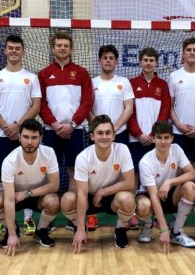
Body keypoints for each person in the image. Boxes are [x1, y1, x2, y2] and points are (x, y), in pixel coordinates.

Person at [0, 35, 41, 238]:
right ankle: (2, 221)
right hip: (0, 134)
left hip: (23, 136)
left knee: (25, 176)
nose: (14, 51)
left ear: (23, 52)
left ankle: (28, 219)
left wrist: (18, 126)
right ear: (5, 51)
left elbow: (36, 105)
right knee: (0, 176)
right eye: (10, 48)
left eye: (17, 48)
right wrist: (5, 126)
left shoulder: (32, 78)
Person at [61, 115, 136, 252]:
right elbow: (82, 193)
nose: (104, 137)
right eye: (100, 133)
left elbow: (130, 183)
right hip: (89, 198)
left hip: (112, 197)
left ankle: (120, 229)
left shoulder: (122, 149)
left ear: (113, 136)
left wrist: (103, 192)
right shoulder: (83, 157)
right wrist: (80, 229)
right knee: (67, 199)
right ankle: (80, 228)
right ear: (92, 136)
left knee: (128, 199)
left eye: (108, 133)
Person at [0, 119, 60, 255]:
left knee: (54, 201)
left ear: (41, 138)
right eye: (26, 137)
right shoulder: (10, 160)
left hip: (37, 196)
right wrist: (12, 235)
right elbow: (8, 200)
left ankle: (41, 231)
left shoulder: (49, 153)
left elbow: (54, 185)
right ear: (19, 138)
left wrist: (27, 193)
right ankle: (11, 230)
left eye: (34, 137)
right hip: (15, 197)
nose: (30, 142)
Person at [38, 31, 92, 192]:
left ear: (71, 49)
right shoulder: (44, 74)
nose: (62, 48)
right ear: (53, 48)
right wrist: (54, 124)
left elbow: (87, 101)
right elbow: (40, 103)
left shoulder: (82, 73)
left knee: (74, 170)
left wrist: (72, 124)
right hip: (50, 130)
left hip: (75, 130)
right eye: (59, 45)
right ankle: (50, 210)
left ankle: (72, 212)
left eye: (66, 46)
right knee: (49, 172)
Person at [88, 45, 134, 230]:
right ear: (99, 60)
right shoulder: (92, 83)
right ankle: (91, 216)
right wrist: (99, 128)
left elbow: (129, 108)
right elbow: (87, 109)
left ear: (116, 62)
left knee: (122, 175)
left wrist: (113, 128)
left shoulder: (124, 82)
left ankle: (123, 217)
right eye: (105, 57)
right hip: (97, 137)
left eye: (111, 58)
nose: (108, 60)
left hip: (119, 134)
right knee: (93, 174)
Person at [168, 37, 195, 230]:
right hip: (179, 132)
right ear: (183, 53)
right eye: (189, 50)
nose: (192, 53)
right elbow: (169, 106)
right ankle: (180, 215)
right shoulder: (173, 76)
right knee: (182, 173)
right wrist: (178, 124)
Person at [135, 121, 195, 253]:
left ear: (172, 138)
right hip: (150, 196)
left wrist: (169, 182)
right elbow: (153, 195)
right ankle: (147, 225)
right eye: (159, 137)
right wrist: (163, 229)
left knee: (190, 186)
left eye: (166, 137)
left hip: (169, 194)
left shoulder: (176, 149)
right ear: (153, 138)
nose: (163, 142)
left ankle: (177, 233)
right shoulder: (145, 162)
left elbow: (192, 174)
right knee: (143, 206)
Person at [128, 47, 171, 230]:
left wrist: (154, 135)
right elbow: (130, 112)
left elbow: (165, 111)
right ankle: (132, 215)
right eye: (145, 60)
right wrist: (138, 134)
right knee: (134, 177)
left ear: (156, 63)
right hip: (135, 139)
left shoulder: (162, 85)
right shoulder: (131, 83)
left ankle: (155, 216)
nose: (148, 63)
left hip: (155, 140)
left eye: (151, 60)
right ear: (140, 62)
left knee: (155, 177)